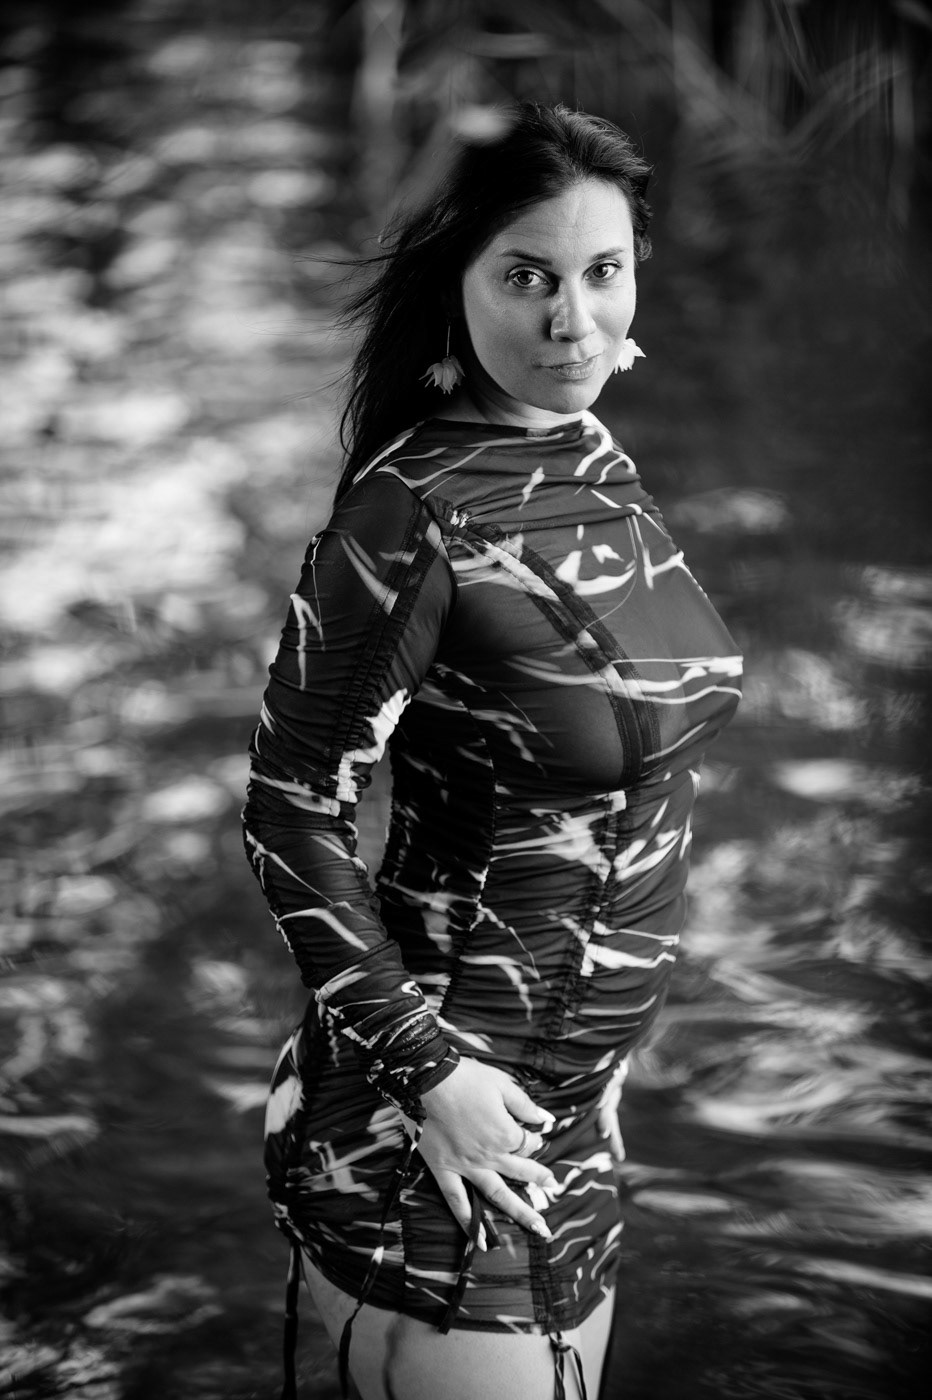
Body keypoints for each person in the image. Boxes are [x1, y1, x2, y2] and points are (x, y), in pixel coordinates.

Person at [243, 102, 742, 1400]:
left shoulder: (585, 451)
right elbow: (289, 812)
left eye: (602, 272)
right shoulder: (408, 516)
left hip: (571, 1114)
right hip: (437, 1128)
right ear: (456, 283)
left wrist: (603, 1072)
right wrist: (430, 1076)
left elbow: (628, 788)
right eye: (527, 277)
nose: (573, 321)